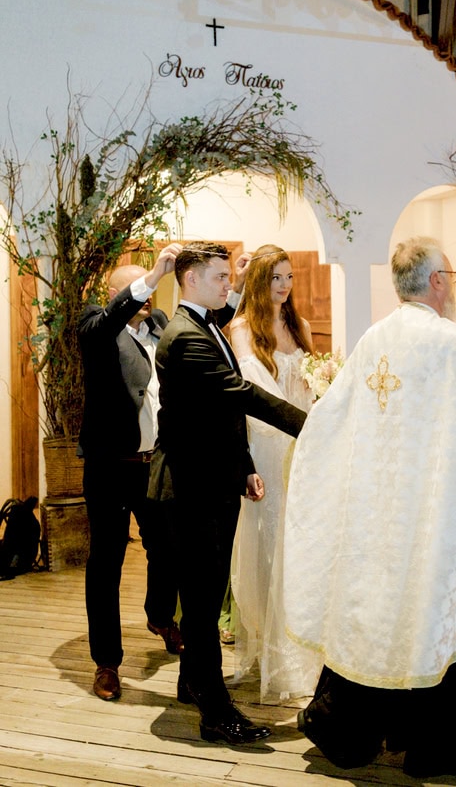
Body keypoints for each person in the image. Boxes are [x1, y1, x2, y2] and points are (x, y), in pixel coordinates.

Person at [282, 237, 456, 779]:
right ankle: (438, 746)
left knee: (378, 617)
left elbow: (327, 422)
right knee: (433, 617)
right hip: (430, 518)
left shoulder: (374, 339)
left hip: (378, 521)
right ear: (437, 282)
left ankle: (353, 727)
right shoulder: (448, 343)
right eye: (452, 275)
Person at [151, 241, 307, 746]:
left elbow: (219, 415)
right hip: (191, 489)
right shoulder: (185, 336)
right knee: (200, 601)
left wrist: (243, 467)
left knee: (203, 596)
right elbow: (237, 394)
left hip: (213, 479)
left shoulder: (205, 325)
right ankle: (217, 715)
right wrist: (311, 423)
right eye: (221, 277)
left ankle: (190, 684)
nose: (229, 286)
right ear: (191, 279)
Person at [78, 243, 184, 702]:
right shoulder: (95, 325)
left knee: (168, 550)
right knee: (106, 564)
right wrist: (154, 273)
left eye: (152, 286)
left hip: (154, 466)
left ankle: (160, 616)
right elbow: (106, 322)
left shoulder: (161, 326)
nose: (148, 295)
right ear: (114, 294)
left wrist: (236, 287)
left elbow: (209, 329)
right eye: (138, 288)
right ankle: (106, 662)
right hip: (109, 467)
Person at [228, 244, 320, 702]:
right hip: (267, 445)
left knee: (302, 543)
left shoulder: (300, 326)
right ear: (259, 282)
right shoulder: (243, 327)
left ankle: (303, 646)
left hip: (306, 447)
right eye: (275, 278)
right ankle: (272, 652)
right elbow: (254, 391)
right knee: (270, 543)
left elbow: (313, 384)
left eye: (289, 277)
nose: (284, 286)